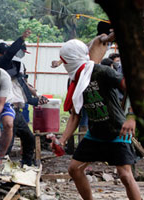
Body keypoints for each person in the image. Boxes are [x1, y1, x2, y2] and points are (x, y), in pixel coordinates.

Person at [58, 39, 140, 200]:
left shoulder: (102, 72)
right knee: (74, 169)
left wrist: (131, 117)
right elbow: (75, 115)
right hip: (95, 133)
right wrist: (62, 140)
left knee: (124, 175)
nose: (64, 64)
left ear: (70, 60)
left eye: (64, 61)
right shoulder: (74, 80)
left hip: (117, 131)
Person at [0, 29, 48, 166]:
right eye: (7, 53)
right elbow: (10, 54)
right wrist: (22, 38)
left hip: (17, 109)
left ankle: (24, 164)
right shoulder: (0, 65)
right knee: (10, 142)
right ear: (0, 55)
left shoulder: (14, 68)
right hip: (9, 108)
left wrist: (36, 98)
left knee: (25, 139)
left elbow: (23, 86)